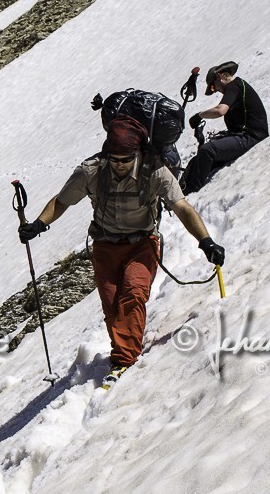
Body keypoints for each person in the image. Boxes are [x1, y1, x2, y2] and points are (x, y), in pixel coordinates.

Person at [19, 123, 224, 385]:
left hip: (142, 243)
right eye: (114, 159)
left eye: (126, 159)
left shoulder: (155, 171)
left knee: (133, 293)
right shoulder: (91, 171)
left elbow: (181, 206)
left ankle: (125, 359)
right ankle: (125, 350)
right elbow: (62, 201)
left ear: (137, 154)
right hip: (105, 244)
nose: (119, 164)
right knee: (112, 304)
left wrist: (205, 241)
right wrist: (38, 224)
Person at [180, 61, 269, 194]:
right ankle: (182, 189)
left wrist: (199, 116)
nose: (215, 90)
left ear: (219, 76)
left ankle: (190, 192)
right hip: (245, 135)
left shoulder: (234, 86)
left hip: (250, 136)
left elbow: (220, 110)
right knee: (198, 160)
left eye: (212, 86)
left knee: (207, 151)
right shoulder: (237, 86)